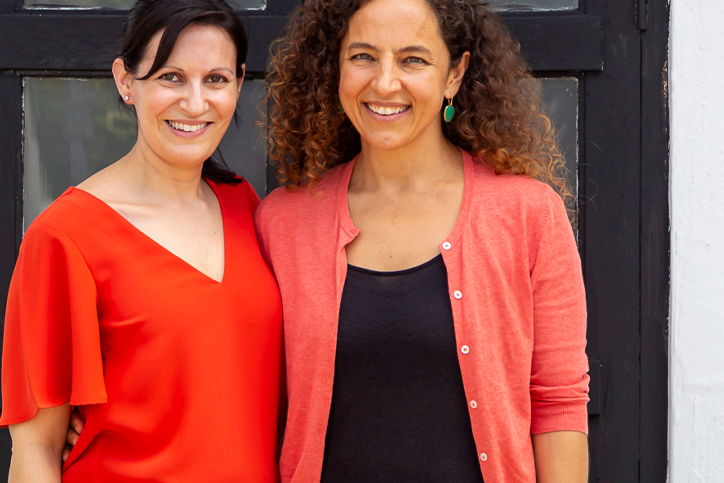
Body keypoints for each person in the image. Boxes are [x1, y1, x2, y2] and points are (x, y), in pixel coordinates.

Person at [256, 0, 590, 481]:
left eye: (413, 59)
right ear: (336, 66)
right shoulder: (283, 223)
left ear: (455, 74)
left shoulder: (528, 214)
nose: (385, 82)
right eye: (363, 56)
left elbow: (558, 401)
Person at [0, 0, 283, 481]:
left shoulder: (245, 206)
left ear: (238, 83)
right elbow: (36, 451)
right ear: (125, 81)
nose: (195, 104)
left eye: (215, 79)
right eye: (170, 77)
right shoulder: (65, 236)